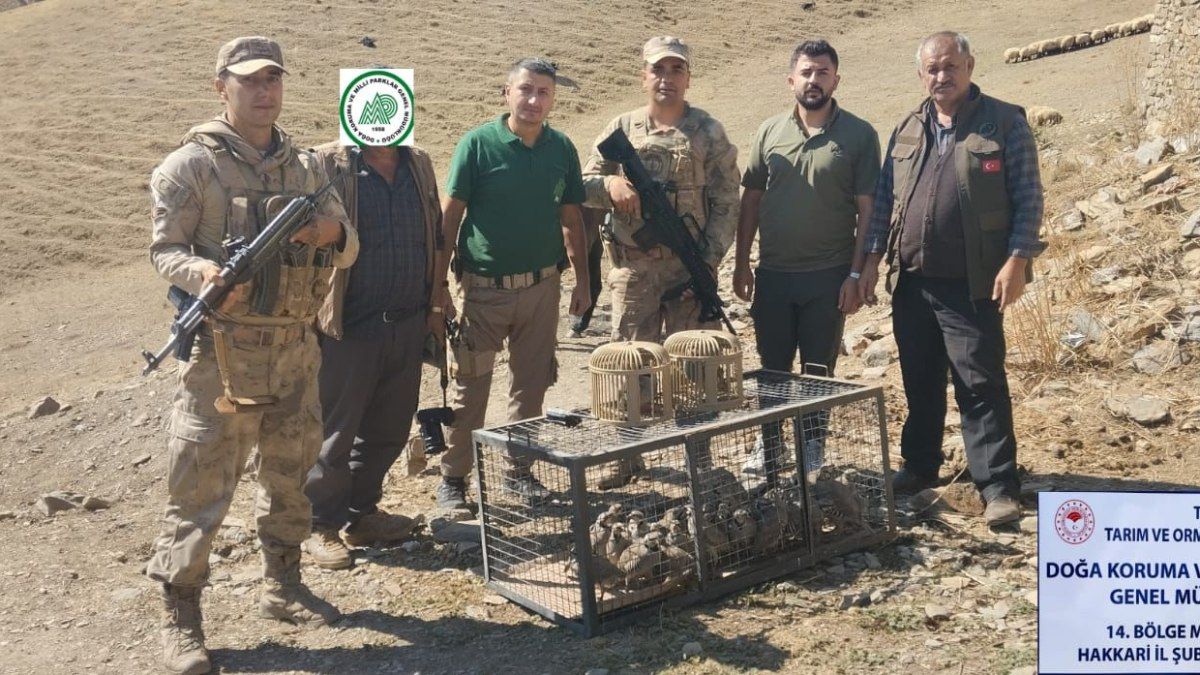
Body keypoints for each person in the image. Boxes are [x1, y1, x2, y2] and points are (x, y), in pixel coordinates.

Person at [145, 36, 356, 674]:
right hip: (222, 355)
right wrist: (204, 273)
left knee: (291, 473)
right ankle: (181, 618)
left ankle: (283, 586)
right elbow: (164, 250)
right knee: (200, 487)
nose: (264, 92)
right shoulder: (190, 166)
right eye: (249, 81)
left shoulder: (307, 168)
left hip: (295, 348)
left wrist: (325, 230)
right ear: (222, 87)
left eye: (273, 79)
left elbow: (348, 245)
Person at [859, 31, 1044, 527]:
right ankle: (920, 466)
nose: (942, 76)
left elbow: (1029, 198)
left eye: (950, 67)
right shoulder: (908, 127)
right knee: (919, 379)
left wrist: (1017, 260)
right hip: (912, 282)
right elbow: (885, 200)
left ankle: (998, 487)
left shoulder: (1004, 123)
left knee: (979, 382)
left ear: (970, 66)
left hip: (971, 283)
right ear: (921, 74)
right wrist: (873, 259)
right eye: (932, 69)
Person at [581, 35, 739, 489]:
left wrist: (707, 261)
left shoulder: (708, 132)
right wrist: (609, 186)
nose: (666, 78)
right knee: (629, 362)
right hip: (633, 270)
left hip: (689, 269)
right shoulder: (621, 128)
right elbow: (582, 184)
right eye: (658, 69)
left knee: (695, 365)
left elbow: (727, 199)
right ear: (643, 76)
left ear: (688, 77)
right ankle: (628, 456)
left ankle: (699, 459)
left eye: (676, 70)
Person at [433, 57, 590, 510]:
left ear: (553, 99)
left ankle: (519, 472)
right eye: (526, 89)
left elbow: (571, 218)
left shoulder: (561, 149)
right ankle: (454, 478)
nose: (534, 100)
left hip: (542, 288)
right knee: (471, 385)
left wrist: (583, 282)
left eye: (544, 92)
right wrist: (437, 286)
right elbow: (450, 218)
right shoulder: (478, 145)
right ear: (507, 93)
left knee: (531, 385)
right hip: (484, 291)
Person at [302, 129, 449, 569]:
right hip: (347, 327)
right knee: (333, 434)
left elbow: (434, 234)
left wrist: (436, 302)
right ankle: (319, 525)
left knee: (389, 429)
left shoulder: (418, 163)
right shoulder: (326, 164)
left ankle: (360, 514)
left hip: (407, 321)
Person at [734, 39, 879, 482]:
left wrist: (856, 273)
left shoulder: (859, 135)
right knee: (772, 368)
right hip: (774, 274)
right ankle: (769, 445)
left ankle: (812, 447)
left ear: (836, 80)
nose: (813, 80)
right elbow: (750, 200)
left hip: (829, 275)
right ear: (791, 80)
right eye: (806, 72)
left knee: (818, 370)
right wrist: (741, 263)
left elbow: (868, 210)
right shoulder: (768, 132)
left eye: (822, 73)